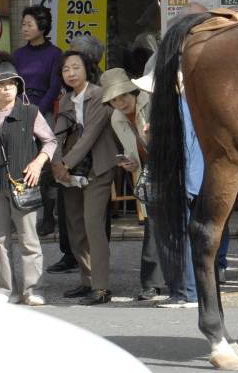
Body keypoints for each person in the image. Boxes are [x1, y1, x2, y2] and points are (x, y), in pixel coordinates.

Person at [50, 50, 122, 305]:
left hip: (98, 168)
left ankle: (101, 288)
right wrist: (57, 163)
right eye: (66, 69)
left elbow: (89, 136)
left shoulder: (100, 95)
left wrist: (64, 164)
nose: (70, 73)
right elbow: (57, 135)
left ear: (87, 69)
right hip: (70, 173)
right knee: (75, 229)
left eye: (75, 67)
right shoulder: (66, 99)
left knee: (93, 225)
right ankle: (87, 281)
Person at [0, 57, 57, 306]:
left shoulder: (30, 112)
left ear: (18, 87)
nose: (6, 88)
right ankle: (2, 289)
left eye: (11, 84)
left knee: (29, 238)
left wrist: (38, 162)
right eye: (0, 85)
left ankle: (32, 289)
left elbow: (50, 141)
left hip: (24, 184)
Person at [100, 68, 165, 301]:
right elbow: (131, 150)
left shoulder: (153, 103)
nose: (120, 102)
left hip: (169, 168)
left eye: (123, 96)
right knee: (153, 225)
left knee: (177, 223)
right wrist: (129, 163)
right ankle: (151, 284)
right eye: (114, 99)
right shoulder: (116, 118)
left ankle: (180, 280)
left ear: (133, 91)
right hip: (146, 173)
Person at [13, 6, 63, 237]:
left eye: (29, 24)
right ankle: (20, 210)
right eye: (23, 24)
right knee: (19, 160)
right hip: (20, 110)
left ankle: (49, 216)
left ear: (42, 27)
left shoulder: (55, 53)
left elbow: (54, 87)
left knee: (46, 166)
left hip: (43, 110)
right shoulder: (18, 55)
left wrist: (37, 112)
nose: (24, 28)